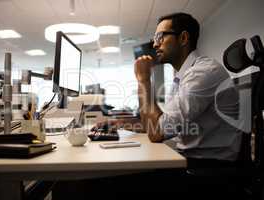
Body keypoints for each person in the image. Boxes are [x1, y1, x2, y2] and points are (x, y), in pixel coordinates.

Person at [93, 12, 241, 166]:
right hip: (192, 157)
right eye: (155, 39)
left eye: (160, 37)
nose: (155, 44)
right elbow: (160, 123)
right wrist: (121, 123)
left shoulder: (203, 72)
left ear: (183, 38)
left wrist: (143, 80)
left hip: (208, 168)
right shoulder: (184, 75)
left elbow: (157, 132)